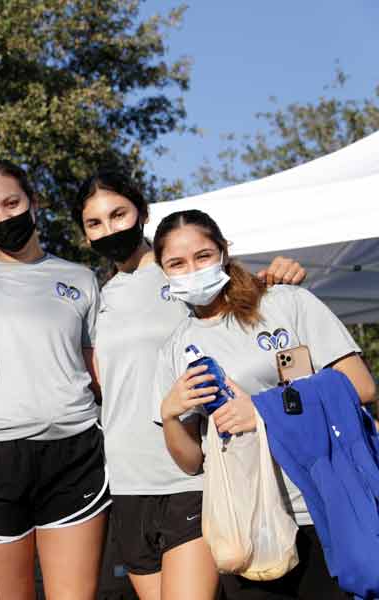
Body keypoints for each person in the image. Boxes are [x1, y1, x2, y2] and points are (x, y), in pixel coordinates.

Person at [75, 171, 305, 600]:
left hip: (191, 476)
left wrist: (276, 276)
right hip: (126, 480)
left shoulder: (180, 272)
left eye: (118, 214)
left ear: (141, 212)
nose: (109, 230)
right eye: (95, 223)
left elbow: (242, 300)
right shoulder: (100, 294)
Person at [153, 208, 376, 600]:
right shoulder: (176, 346)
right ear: (163, 272)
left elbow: (361, 385)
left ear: (223, 252)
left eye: (203, 256)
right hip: (251, 524)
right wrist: (170, 414)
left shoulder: (286, 303)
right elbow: (190, 462)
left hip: (323, 504)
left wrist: (260, 411)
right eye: (177, 263)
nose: (192, 269)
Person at [0, 160, 109, 600]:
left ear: (33, 202)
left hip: (75, 453)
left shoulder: (80, 278)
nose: (4, 217)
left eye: (12, 203)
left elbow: (99, 371)